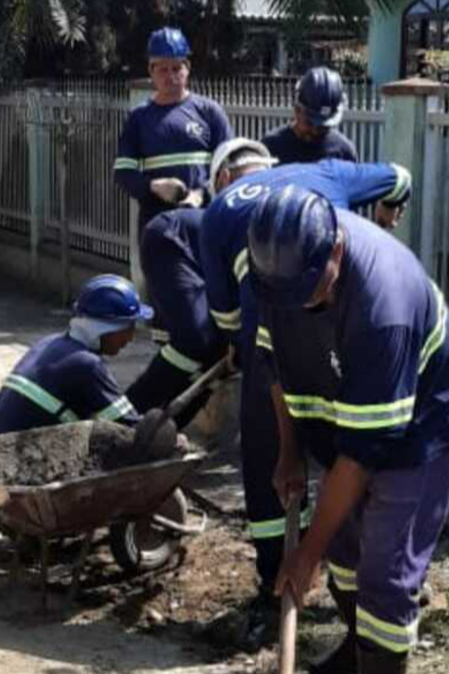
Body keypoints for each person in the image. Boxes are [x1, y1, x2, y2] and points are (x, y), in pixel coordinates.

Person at [247, 186, 449, 674]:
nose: (298, 305)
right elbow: (276, 366)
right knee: (346, 553)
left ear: (337, 253)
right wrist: (289, 452)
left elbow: (361, 458)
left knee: (384, 571)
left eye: (309, 292)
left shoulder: (383, 308)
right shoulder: (279, 271)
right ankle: (358, 646)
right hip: (343, 405)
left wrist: (305, 554)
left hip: (417, 423)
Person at [200, 138, 412, 650]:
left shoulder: (217, 213)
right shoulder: (327, 174)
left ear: (224, 178)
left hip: (270, 339)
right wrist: (386, 214)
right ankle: (356, 558)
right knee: (354, 446)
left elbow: (227, 316)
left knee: (267, 457)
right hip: (337, 333)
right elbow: (400, 177)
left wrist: (238, 349)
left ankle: (279, 578)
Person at [0, 275, 152, 436]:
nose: (131, 338)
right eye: (128, 329)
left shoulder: (49, 343)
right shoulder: (86, 365)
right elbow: (131, 430)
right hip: (21, 461)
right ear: (104, 329)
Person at [113, 27, 233, 238]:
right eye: (163, 69)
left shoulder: (209, 112)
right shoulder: (138, 119)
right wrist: (153, 186)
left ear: (187, 68)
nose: (171, 76)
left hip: (205, 223)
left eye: (177, 68)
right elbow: (123, 174)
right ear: (151, 71)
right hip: (158, 227)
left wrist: (201, 193)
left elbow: (229, 166)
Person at [124, 208, 227, 422]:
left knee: (219, 351)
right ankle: (126, 418)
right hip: (173, 239)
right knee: (193, 340)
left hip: (203, 255)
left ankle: (168, 430)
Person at [262, 67, 358, 165]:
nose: (315, 131)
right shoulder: (270, 148)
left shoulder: (344, 153)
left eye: (323, 127)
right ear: (297, 110)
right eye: (310, 123)